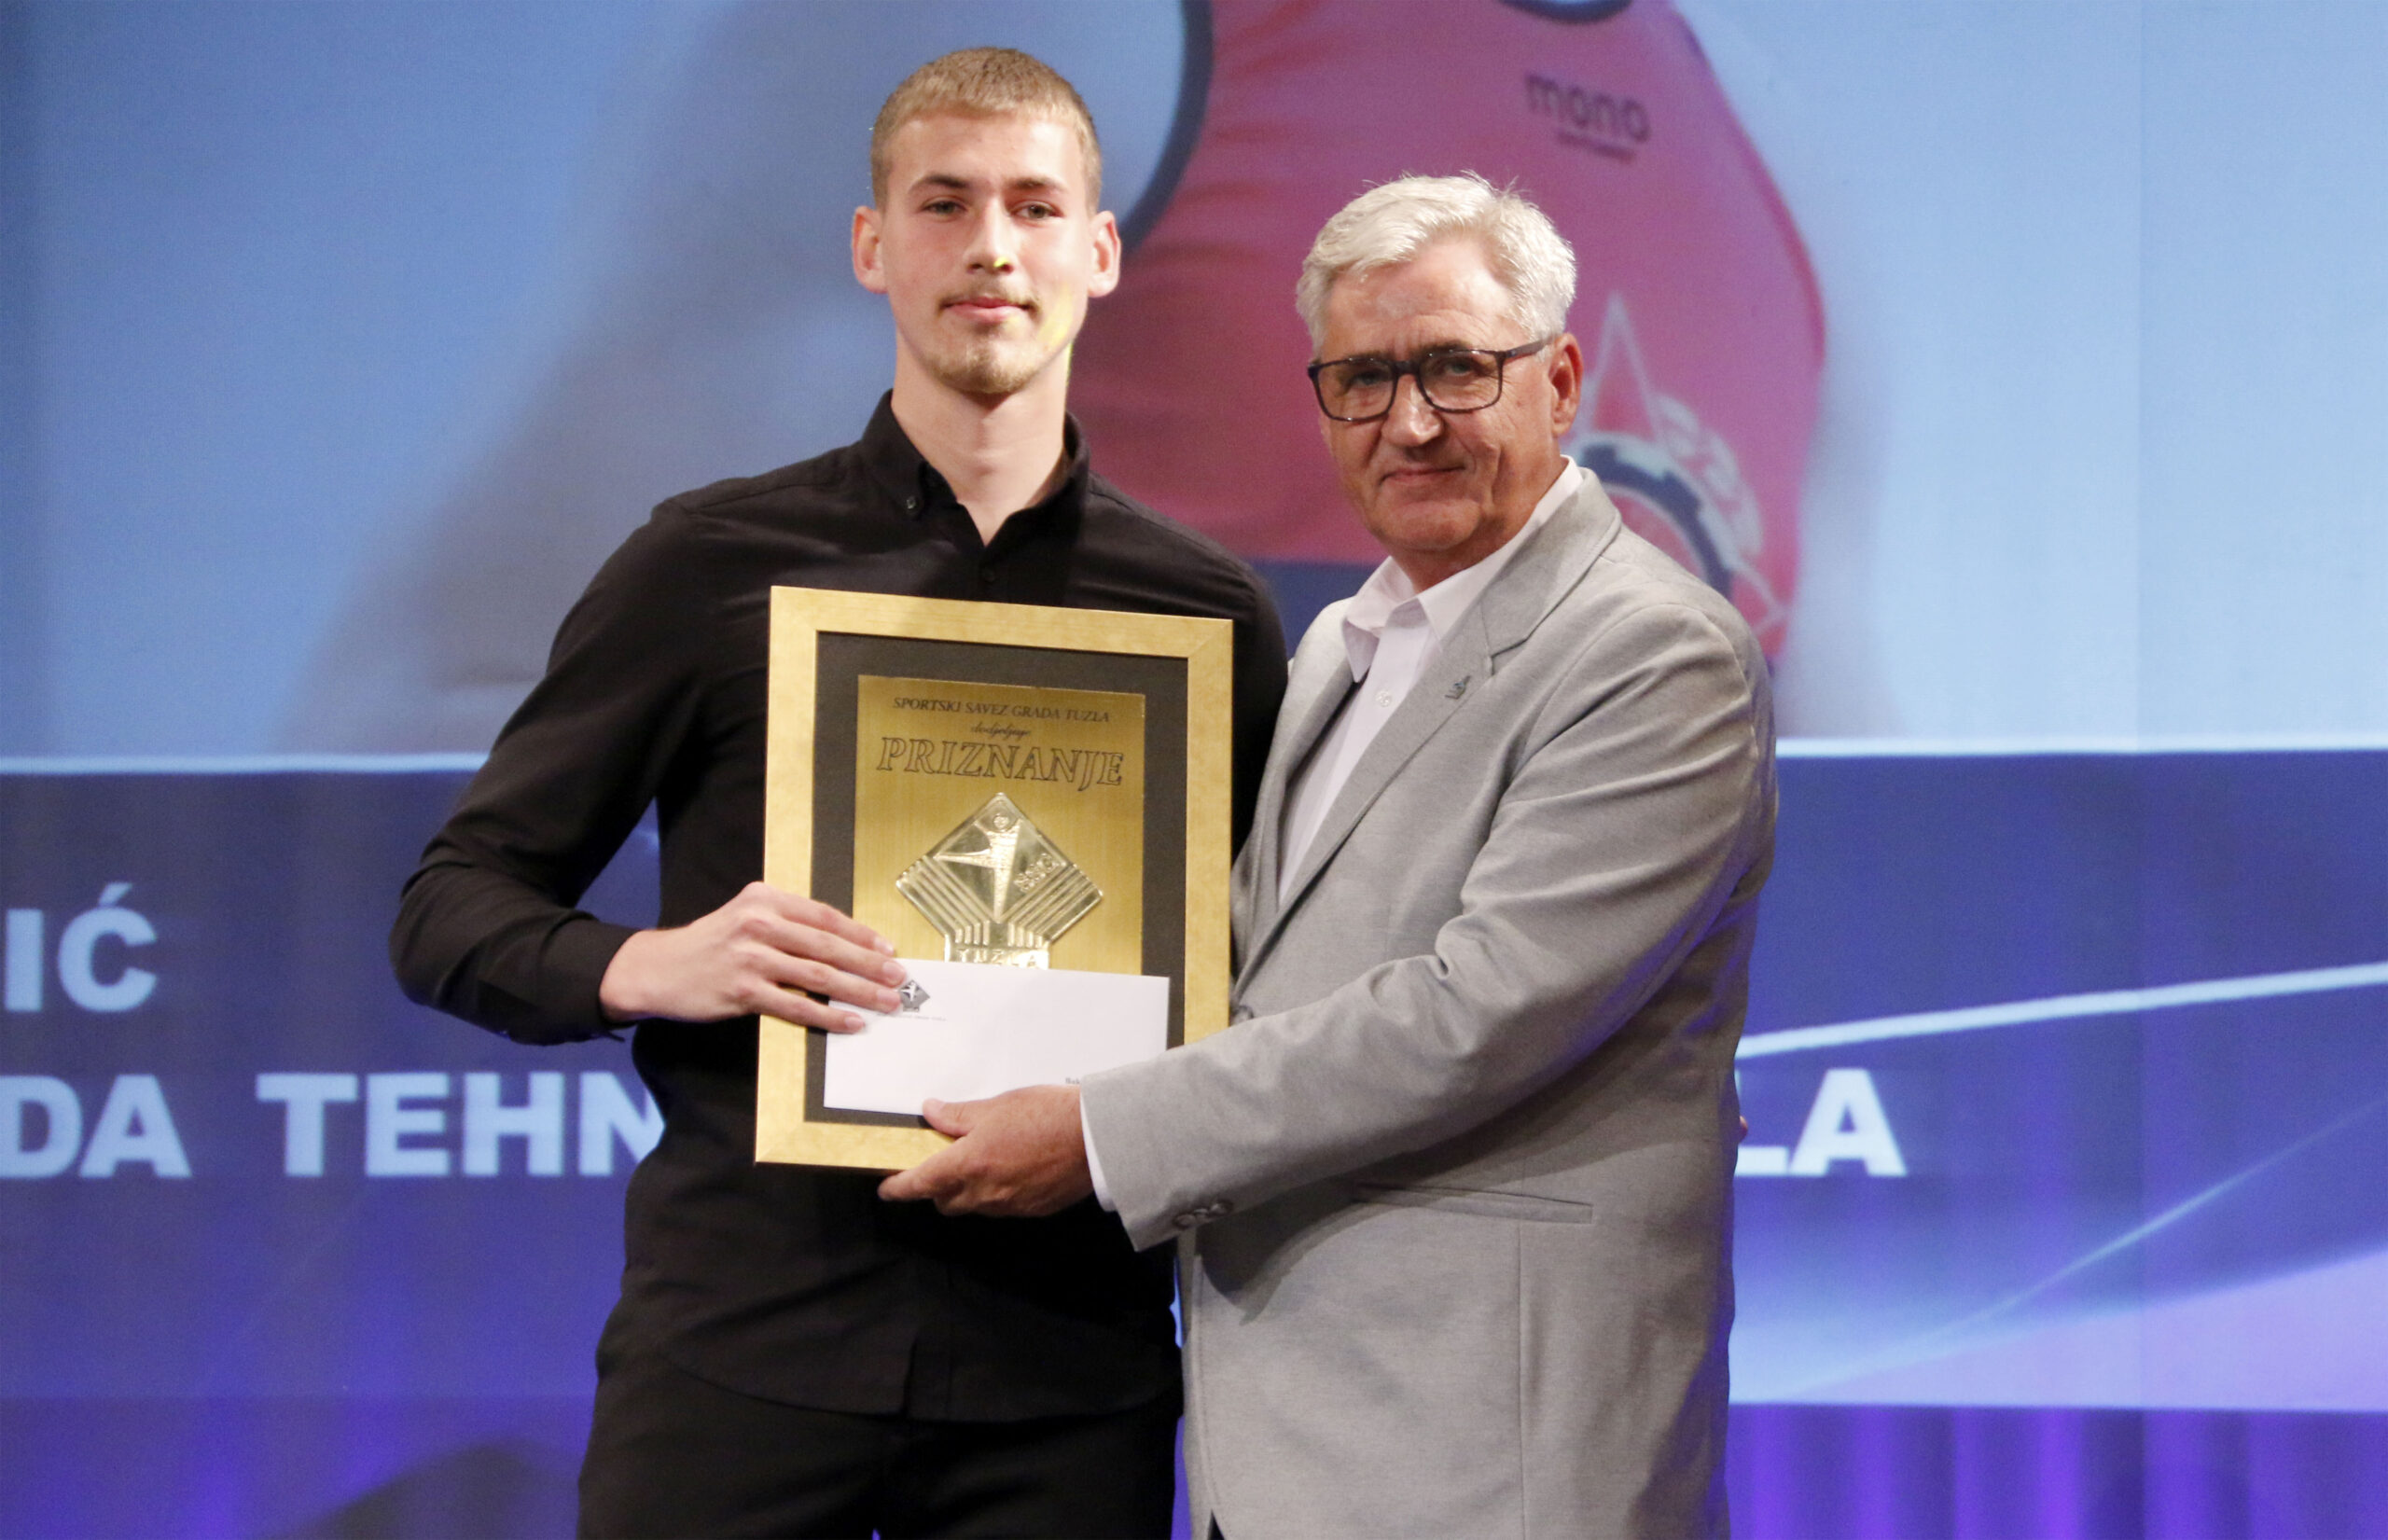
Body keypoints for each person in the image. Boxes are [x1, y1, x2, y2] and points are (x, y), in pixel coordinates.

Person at [390, 48, 1285, 1539]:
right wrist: (650, 964)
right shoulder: (707, 564)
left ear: (1102, 251)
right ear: (874, 246)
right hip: (743, 1349)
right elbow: (449, 909)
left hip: (1068, 1380)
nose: (992, 246)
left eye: (1035, 207)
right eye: (944, 203)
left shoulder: (1204, 617)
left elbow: (1269, 988)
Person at [881, 174, 1776, 1538]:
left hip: (1496, 1455)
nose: (1410, 423)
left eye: (1457, 369)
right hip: (1285, 1429)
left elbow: (1474, 1014)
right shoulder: (1340, 651)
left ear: (1560, 383)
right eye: (1363, 379)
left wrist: (1102, 1129)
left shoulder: (1652, 651)